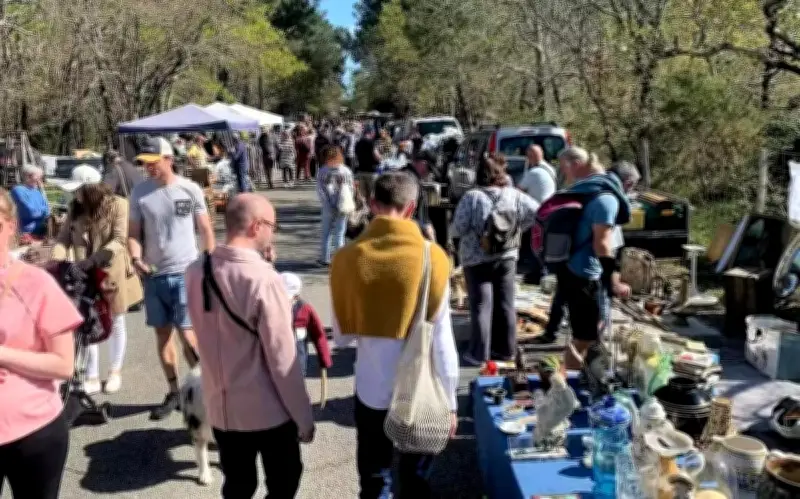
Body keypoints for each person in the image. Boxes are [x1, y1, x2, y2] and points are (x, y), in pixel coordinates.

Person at [330, 171, 459, 499]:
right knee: (415, 481)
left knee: (375, 480)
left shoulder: (346, 259)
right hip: (421, 391)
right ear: (412, 207)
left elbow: (342, 338)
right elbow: (443, 341)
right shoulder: (434, 257)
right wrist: (451, 400)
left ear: (372, 204)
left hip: (372, 389)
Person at [185, 194, 314, 499]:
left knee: (238, 484)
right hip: (267, 409)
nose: (274, 232)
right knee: (284, 481)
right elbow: (284, 361)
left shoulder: (195, 270)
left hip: (221, 405)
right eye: (273, 225)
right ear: (257, 226)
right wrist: (303, 417)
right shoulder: (265, 280)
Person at [0, 187, 83, 499]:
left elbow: (63, 365)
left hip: (32, 431)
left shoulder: (35, 283)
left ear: (11, 227)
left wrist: (3, 355)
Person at [127, 137, 216, 420]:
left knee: (188, 335)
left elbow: (205, 229)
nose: (148, 168)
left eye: (153, 163)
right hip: (155, 275)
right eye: (144, 164)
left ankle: (204, 390)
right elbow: (133, 233)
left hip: (185, 272)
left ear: (168, 159)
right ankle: (174, 391)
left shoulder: (189, 189)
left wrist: (209, 263)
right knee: (162, 334)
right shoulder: (140, 193)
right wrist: (136, 258)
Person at [51, 179, 143, 395]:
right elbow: (63, 239)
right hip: (83, 274)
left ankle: (115, 371)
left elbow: (120, 240)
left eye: (77, 191)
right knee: (88, 323)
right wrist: (59, 259)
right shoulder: (75, 209)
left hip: (112, 271)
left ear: (89, 189)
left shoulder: (118, 204)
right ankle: (91, 375)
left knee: (115, 319)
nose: (74, 195)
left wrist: (93, 260)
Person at [547, 147, 631, 370]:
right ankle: (569, 385)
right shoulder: (607, 200)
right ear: (625, 183)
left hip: (571, 268)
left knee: (584, 332)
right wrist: (610, 280)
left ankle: (574, 377)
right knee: (583, 337)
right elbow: (602, 243)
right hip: (583, 273)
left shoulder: (590, 192)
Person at [451, 154, 539, 365]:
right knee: (506, 304)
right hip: (507, 256)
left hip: (476, 258)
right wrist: (517, 230)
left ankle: (479, 354)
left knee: (481, 305)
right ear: (502, 174)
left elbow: (459, 228)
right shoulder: (514, 195)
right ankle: (506, 350)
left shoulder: (472, 197)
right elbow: (537, 213)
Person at [280, 272, 333, 377]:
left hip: (297, 361)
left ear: (296, 296)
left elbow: (318, 334)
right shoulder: (268, 308)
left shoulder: (305, 310)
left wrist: (324, 359)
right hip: (274, 360)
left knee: (296, 388)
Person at [316, 145, 354, 266]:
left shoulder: (322, 171)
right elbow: (351, 189)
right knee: (340, 234)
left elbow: (320, 190)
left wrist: (325, 202)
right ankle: (340, 259)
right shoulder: (346, 171)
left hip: (328, 205)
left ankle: (325, 258)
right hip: (343, 205)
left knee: (326, 233)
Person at [10, 165, 50, 239]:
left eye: (40, 178)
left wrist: (42, 191)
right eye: (38, 177)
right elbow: (30, 212)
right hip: (27, 232)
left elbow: (48, 211)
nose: (40, 180)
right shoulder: (18, 190)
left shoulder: (37, 191)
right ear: (28, 176)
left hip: (42, 229)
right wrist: (43, 210)